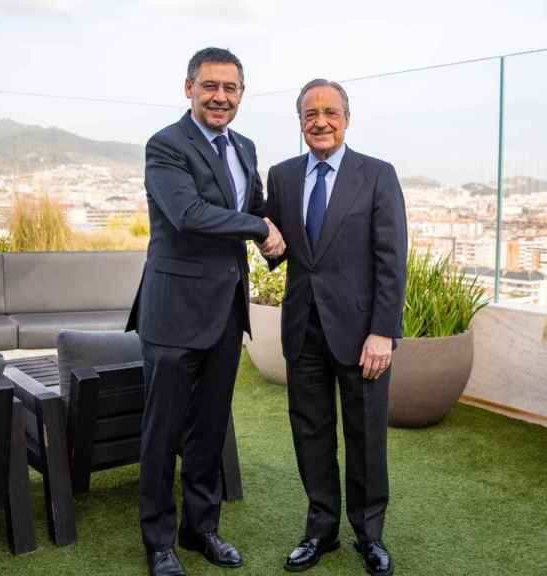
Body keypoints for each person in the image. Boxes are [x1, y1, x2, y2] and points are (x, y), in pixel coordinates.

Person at [126, 47, 285, 576]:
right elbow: (188, 214)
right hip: (172, 314)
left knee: (209, 430)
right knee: (162, 432)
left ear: (241, 93)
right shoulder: (166, 146)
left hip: (224, 313)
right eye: (210, 86)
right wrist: (260, 230)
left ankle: (201, 530)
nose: (221, 97)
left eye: (231, 88)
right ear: (188, 87)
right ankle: (159, 542)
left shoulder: (244, 147)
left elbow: (252, 206)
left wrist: (277, 237)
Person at [262, 78, 407, 576]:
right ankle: (320, 531)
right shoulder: (281, 176)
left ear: (347, 118)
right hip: (303, 330)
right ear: (300, 121)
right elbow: (277, 242)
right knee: (311, 433)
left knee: (366, 437)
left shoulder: (378, 175)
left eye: (330, 112)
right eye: (309, 114)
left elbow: (391, 260)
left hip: (363, 335)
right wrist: (267, 244)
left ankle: (370, 536)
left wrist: (383, 332)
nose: (320, 122)